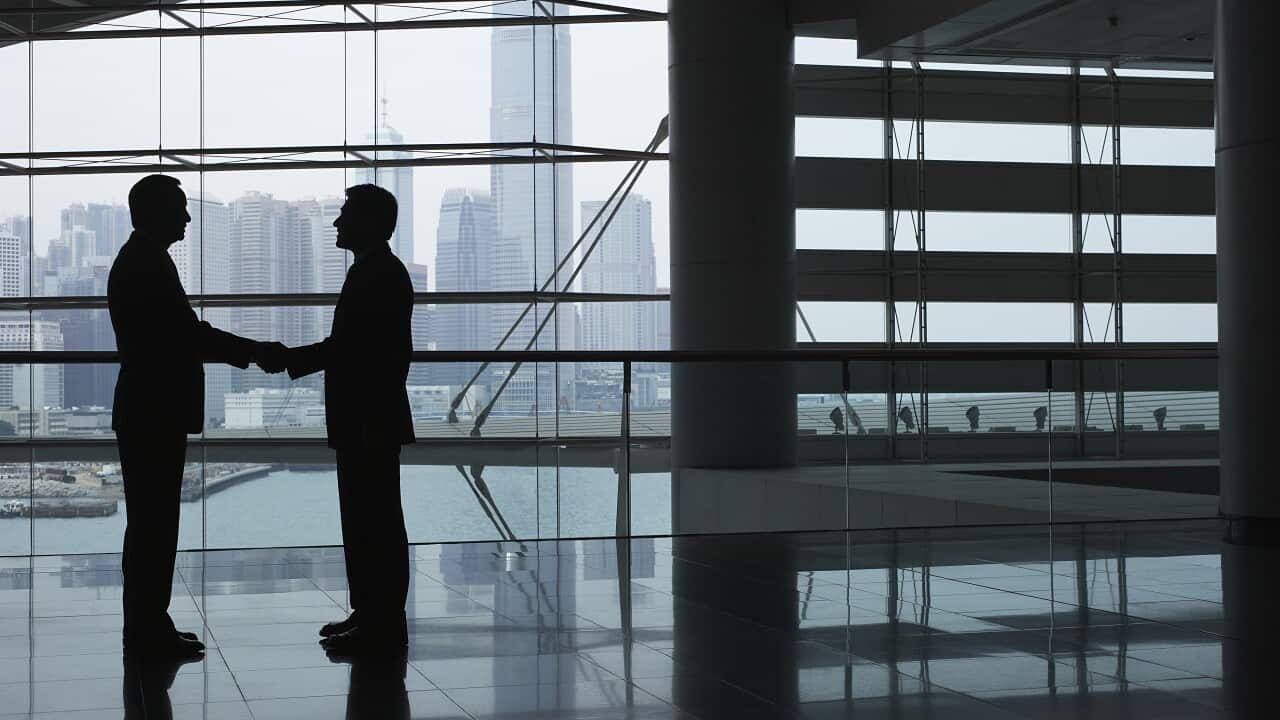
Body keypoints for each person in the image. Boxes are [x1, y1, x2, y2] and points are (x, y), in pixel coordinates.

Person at [108, 174, 285, 659]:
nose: (187, 217)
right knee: (154, 527)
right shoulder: (147, 264)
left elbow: (181, 334)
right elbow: (188, 335)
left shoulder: (143, 259)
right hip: (154, 412)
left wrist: (250, 351)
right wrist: (255, 351)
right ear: (155, 211)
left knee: (151, 525)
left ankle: (148, 624)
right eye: (180, 207)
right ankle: (147, 630)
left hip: (147, 409)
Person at [260, 184, 416, 654]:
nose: (336, 221)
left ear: (368, 221)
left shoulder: (378, 274)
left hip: (368, 418)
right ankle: (370, 614)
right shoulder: (374, 270)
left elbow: (353, 350)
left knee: (374, 522)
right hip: (366, 418)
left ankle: (381, 623)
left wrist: (291, 360)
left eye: (345, 213)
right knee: (367, 519)